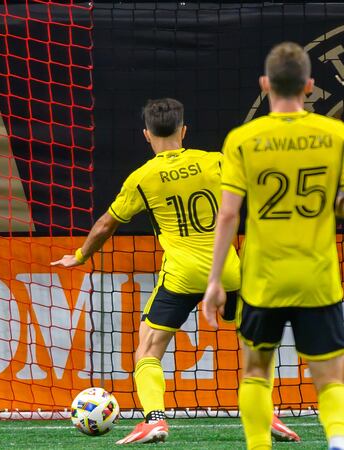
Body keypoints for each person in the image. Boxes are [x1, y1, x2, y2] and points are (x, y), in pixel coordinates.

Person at [51, 98, 298, 445]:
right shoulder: (216, 162)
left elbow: (106, 224)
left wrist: (80, 255)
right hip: (229, 272)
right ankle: (263, 412)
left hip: (182, 276)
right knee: (251, 343)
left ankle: (155, 420)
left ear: (146, 135)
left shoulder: (143, 178)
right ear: (184, 131)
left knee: (148, 348)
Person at [202, 41, 344, 450]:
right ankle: (336, 439)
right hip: (317, 277)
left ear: (265, 84)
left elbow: (228, 215)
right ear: (310, 86)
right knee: (331, 379)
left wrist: (215, 281)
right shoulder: (333, 134)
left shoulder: (243, 139)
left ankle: (258, 447)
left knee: (256, 371)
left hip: (264, 279)